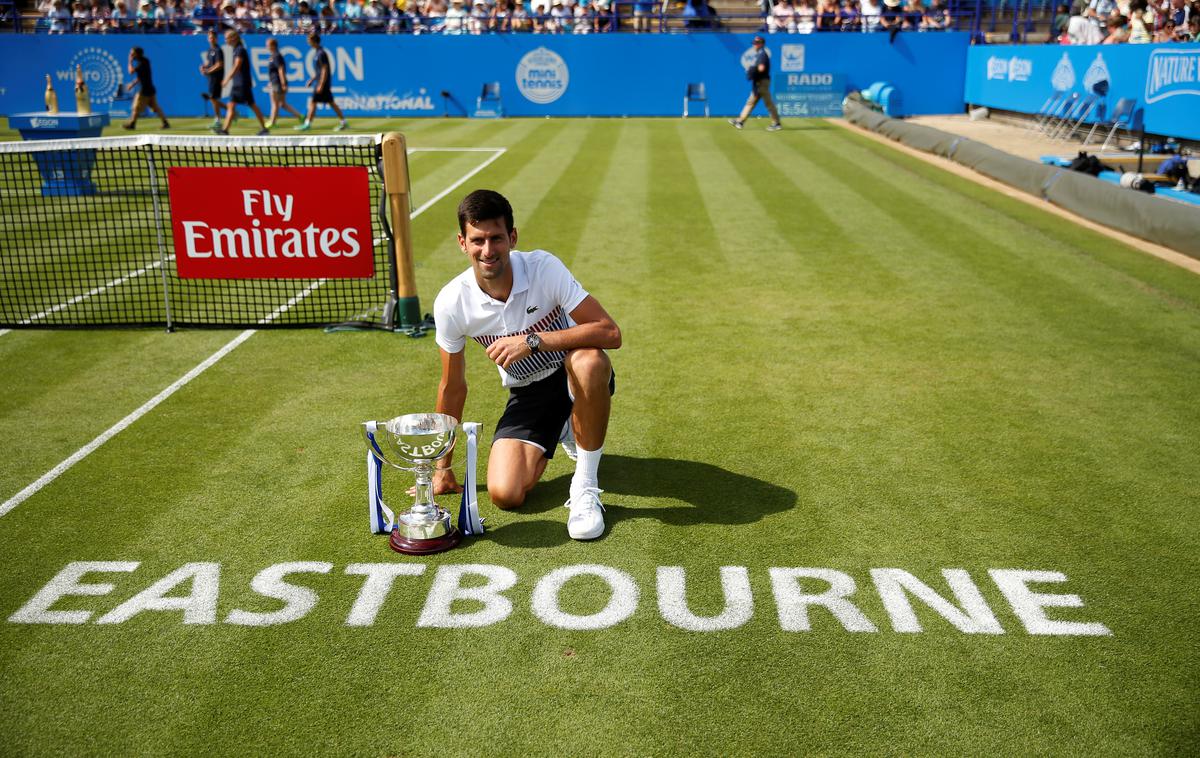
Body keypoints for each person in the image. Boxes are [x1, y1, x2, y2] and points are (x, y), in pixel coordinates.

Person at [431, 190, 621, 541]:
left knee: (590, 361)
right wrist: (443, 466)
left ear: (512, 238)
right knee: (505, 494)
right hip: (528, 392)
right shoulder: (451, 303)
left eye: (496, 238)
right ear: (462, 243)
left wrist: (532, 341)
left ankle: (585, 485)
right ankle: (566, 427)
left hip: (572, 373)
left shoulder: (543, 268)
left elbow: (609, 332)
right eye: (478, 240)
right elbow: (452, 387)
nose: (487, 251)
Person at [216, 30, 269, 135]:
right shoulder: (236, 50)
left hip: (242, 84)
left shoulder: (240, 50)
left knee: (251, 105)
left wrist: (227, 79)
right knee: (232, 105)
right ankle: (225, 130)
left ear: (233, 38)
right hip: (239, 83)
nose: (225, 40)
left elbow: (237, 65)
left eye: (227, 38)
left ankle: (264, 128)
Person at [296, 33, 348, 131]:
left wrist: (321, 84)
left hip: (323, 83)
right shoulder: (317, 53)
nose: (308, 42)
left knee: (313, 102)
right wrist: (312, 79)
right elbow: (319, 71)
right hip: (321, 82)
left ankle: (307, 124)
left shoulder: (321, 53)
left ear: (313, 41)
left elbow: (324, 69)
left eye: (309, 40)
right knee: (331, 103)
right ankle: (344, 122)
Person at [729, 36, 782, 132]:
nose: (755, 44)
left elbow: (761, 68)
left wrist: (752, 70)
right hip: (759, 82)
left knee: (768, 103)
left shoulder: (762, 54)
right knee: (751, 102)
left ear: (762, 44)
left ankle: (776, 123)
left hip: (761, 82)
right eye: (754, 42)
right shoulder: (760, 54)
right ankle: (740, 121)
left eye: (757, 43)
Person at [122, 47, 169, 130]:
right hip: (150, 89)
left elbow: (131, 71)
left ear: (137, 54)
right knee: (155, 108)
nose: (131, 55)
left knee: (136, 107)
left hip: (144, 90)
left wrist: (129, 61)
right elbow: (140, 77)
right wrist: (132, 84)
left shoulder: (142, 63)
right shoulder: (145, 61)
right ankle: (165, 123)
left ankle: (132, 124)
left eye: (132, 53)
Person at [265, 38, 303, 127]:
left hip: (277, 83)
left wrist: (283, 83)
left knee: (275, 103)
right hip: (274, 82)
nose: (267, 47)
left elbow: (281, 70)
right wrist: (270, 81)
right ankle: (300, 116)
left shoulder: (277, 56)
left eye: (268, 45)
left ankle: (272, 122)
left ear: (273, 46)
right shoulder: (273, 56)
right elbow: (273, 71)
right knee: (282, 104)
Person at [199, 28, 226, 129]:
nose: (211, 39)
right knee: (213, 98)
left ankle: (218, 120)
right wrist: (204, 66)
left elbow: (219, 64)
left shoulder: (218, 50)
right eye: (210, 37)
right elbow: (210, 63)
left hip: (217, 77)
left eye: (213, 37)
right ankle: (230, 110)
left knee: (213, 98)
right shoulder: (210, 50)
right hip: (211, 78)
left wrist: (208, 71)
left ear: (216, 39)